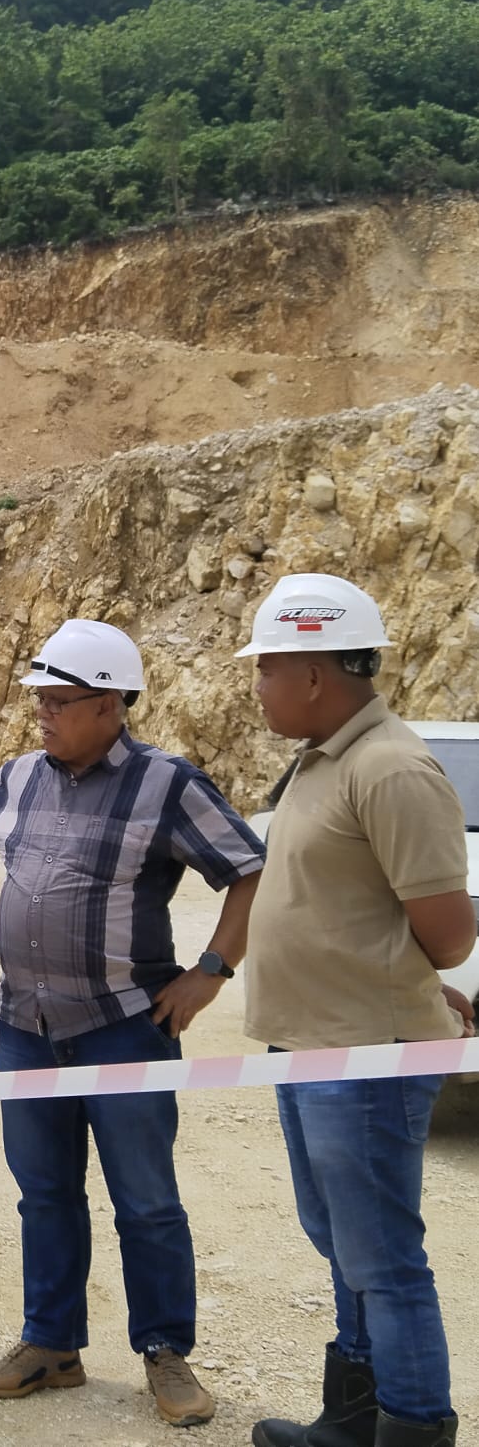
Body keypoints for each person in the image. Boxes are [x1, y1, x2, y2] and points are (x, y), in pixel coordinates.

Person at [0, 618, 264, 1429]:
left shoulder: (167, 784)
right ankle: (52, 1346)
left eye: (58, 699)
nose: (41, 711)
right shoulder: (22, 778)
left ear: (110, 704)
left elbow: (248, 869)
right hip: (26, 1028)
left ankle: (165, 1354)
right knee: (44, 1193)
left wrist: (211, 972)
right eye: (38, 696)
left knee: (145, 1200)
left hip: (123, 1029)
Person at [239, 574, 475, 1447]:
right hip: (314, 1046)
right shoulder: (323, 759)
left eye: (266, 669)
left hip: (367, 1057)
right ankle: (353, 1420)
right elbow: (361, 911)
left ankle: (410, 1426)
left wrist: (411, 981)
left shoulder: (391, 767)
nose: (257, 687)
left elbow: (449, 934)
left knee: (382, 1259)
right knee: (345, 1244)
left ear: (311, 672)